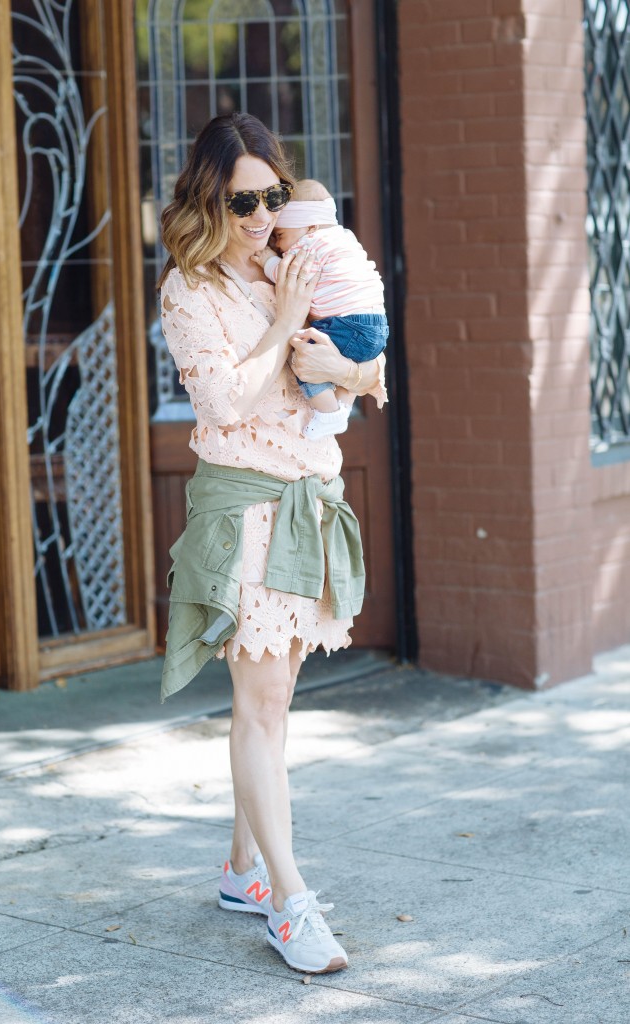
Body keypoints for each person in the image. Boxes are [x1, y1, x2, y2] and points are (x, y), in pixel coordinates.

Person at [157, 112, 387, 975]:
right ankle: (289, 905)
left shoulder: (294, 253)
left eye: (272, 195)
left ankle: (239, 871)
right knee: (260, 708)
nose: (259, 215)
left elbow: (366, 362)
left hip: (308, 500)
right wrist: (280, 316)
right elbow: (223, 405)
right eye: (241, 200)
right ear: (206, 199)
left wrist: (350, 372)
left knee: (272, 703)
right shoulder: (191, 288)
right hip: (246, 511)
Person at [253, 178, 389, 439]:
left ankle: (328, 413)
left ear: (311, 226)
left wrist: (269, 260)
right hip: (376, 326)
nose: (279, 246)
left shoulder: (311, 245)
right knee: (351, 362)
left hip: (346, 324)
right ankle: (344, 407)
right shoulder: (345, 239)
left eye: (280, 236)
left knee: (304, 356)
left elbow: (288, 275)